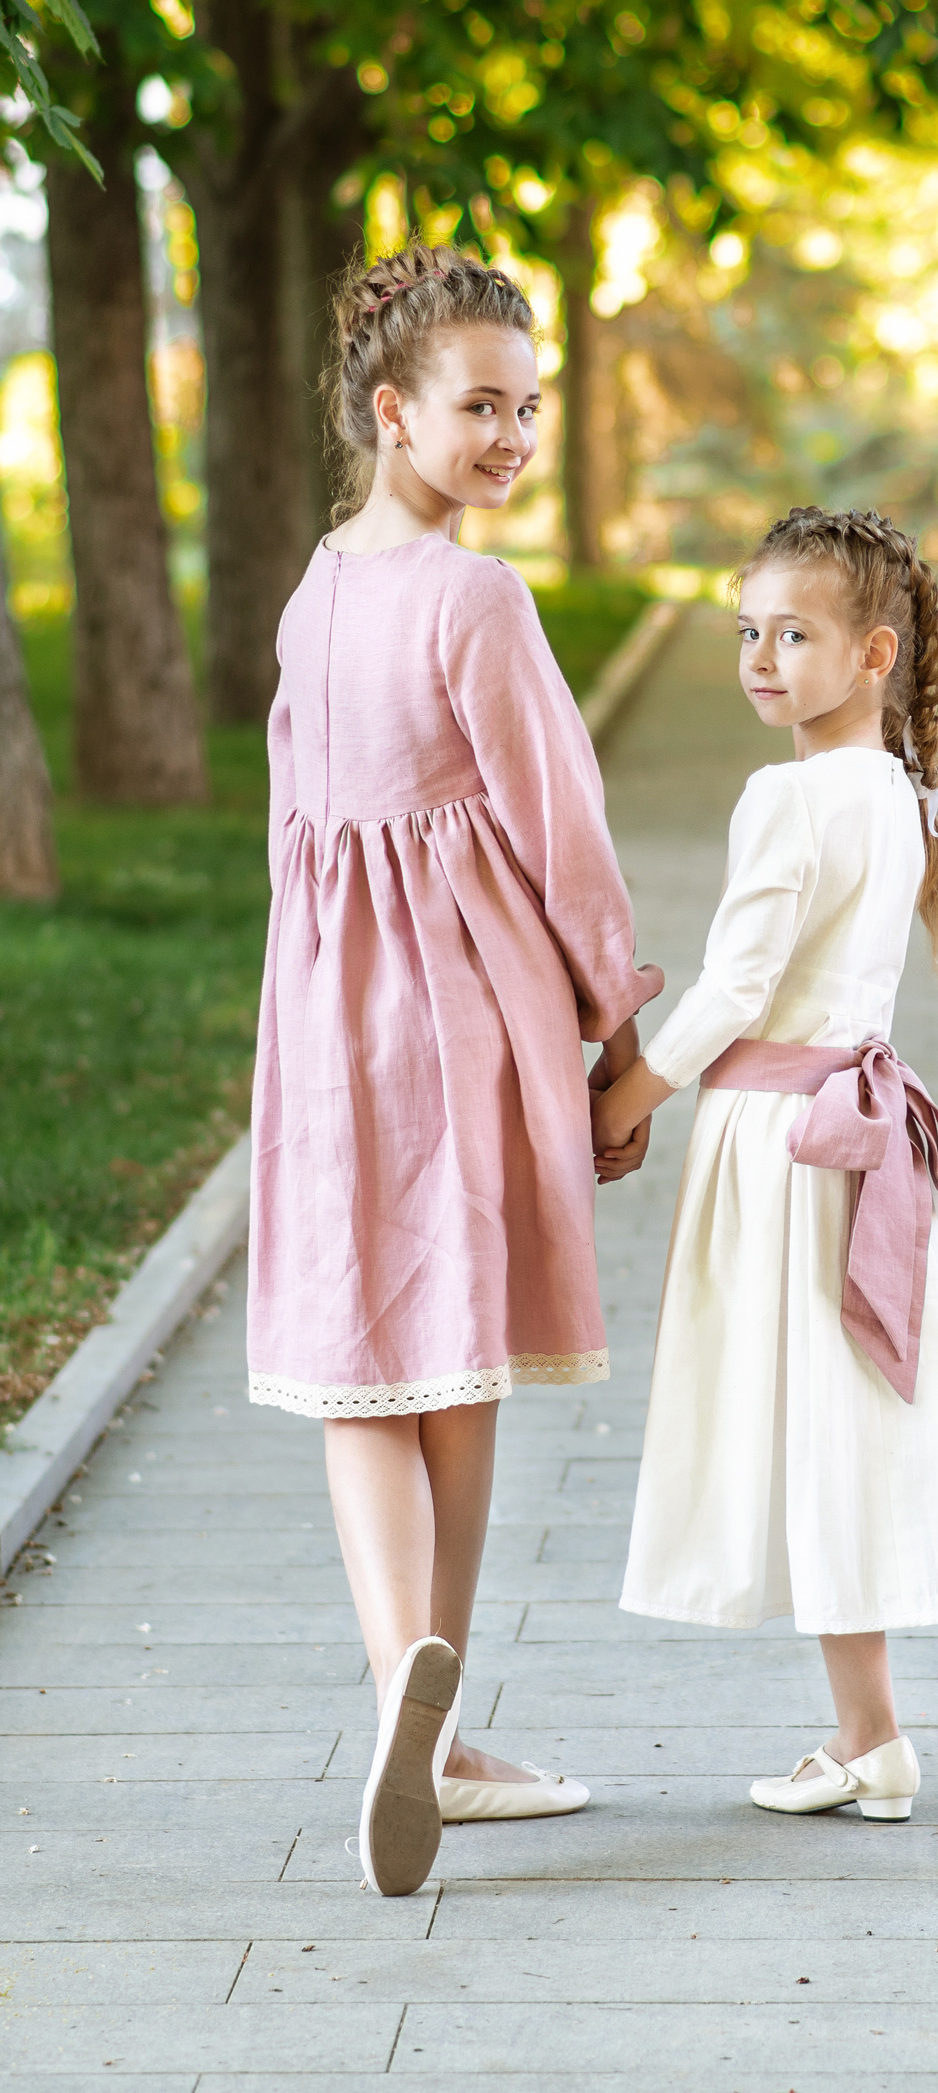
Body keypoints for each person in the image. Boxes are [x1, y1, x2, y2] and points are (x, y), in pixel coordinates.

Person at [247, 240, 661, 1897]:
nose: (510, 434)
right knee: (458, 1359)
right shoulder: (478, 599)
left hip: (331, 1020)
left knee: (360, 1361)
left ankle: (395, 1691)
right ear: (391, 409)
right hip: (462, 1017)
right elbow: (560, 831)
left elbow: (295, 829)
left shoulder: (315, 588)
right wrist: (618, 1036)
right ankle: (444, 1705)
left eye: (529, 407)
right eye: (480, 406)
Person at [592, 505, 938, 1871]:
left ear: (872, 652)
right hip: (873, 1137)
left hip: (784, 1149)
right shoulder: (896, 789)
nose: (760, 657)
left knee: (853, 1427)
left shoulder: (790, 796)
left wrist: (627, 1094)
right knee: (876, 1416)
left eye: (792, 635)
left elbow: (741, 989)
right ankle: (878, 1736)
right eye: (747, 632)